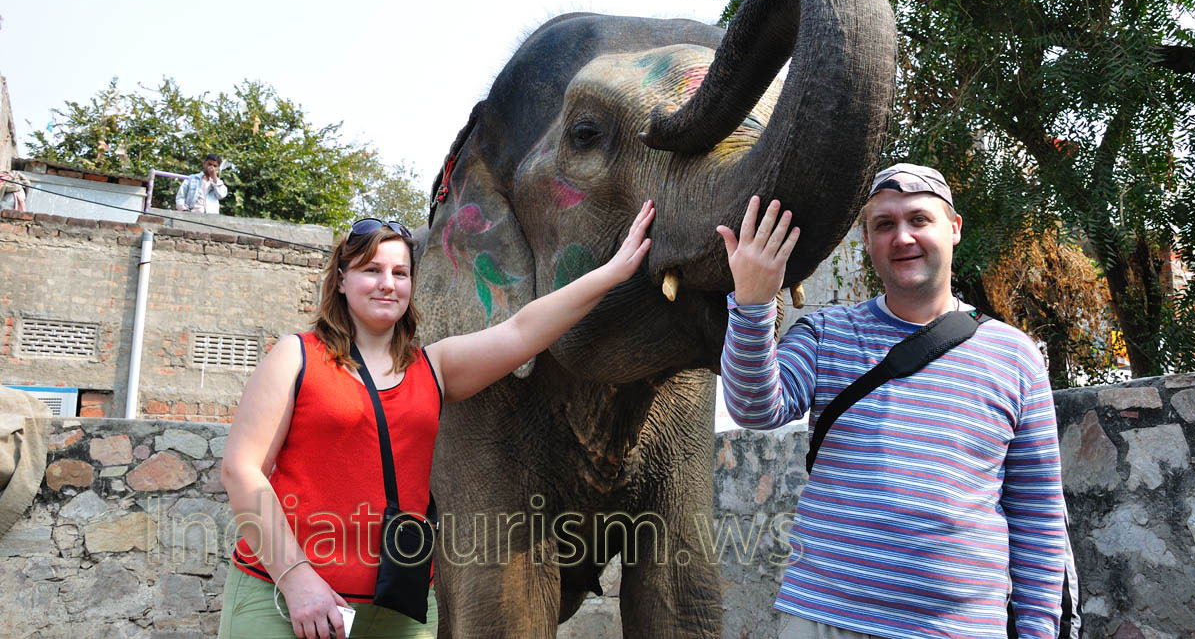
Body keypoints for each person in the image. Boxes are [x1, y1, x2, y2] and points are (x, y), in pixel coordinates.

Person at [219, 202, 655, 639]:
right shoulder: (296, 357)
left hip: (399, 605)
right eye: (371, 270)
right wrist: (296, 579)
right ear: (342, 279)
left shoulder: (434, 367)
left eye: (400, 273)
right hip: (285, 599)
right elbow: (241, 470)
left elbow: (523, 330)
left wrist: (613, 272)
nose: (387, 284)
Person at [717, 164, 1065, 639]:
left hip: (957, 628)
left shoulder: (1016, 355)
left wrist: (1039, 632)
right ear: (866, 239)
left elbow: (1038, 518)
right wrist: (754, 304)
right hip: (824, 617)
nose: (903, 237)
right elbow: (754, 407)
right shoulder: (826, 334)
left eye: (919, 219)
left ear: (954, 228)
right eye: (884, 224)